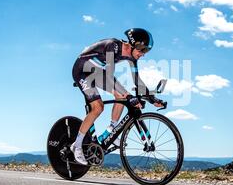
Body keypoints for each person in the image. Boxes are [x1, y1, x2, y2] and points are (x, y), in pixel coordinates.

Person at [70, 28, 164, 165]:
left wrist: (151, 97)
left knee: (121, 95)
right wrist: (128, 96)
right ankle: (76, 145)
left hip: (96, 72)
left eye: (146, 51)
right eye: (142, 50)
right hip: (82, 71)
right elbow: (109, 75)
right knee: (98, 108)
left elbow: (137, 80)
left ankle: (111, 131)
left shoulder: (132, 57)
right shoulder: (112, 46)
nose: (143, 54)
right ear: (132, 45)